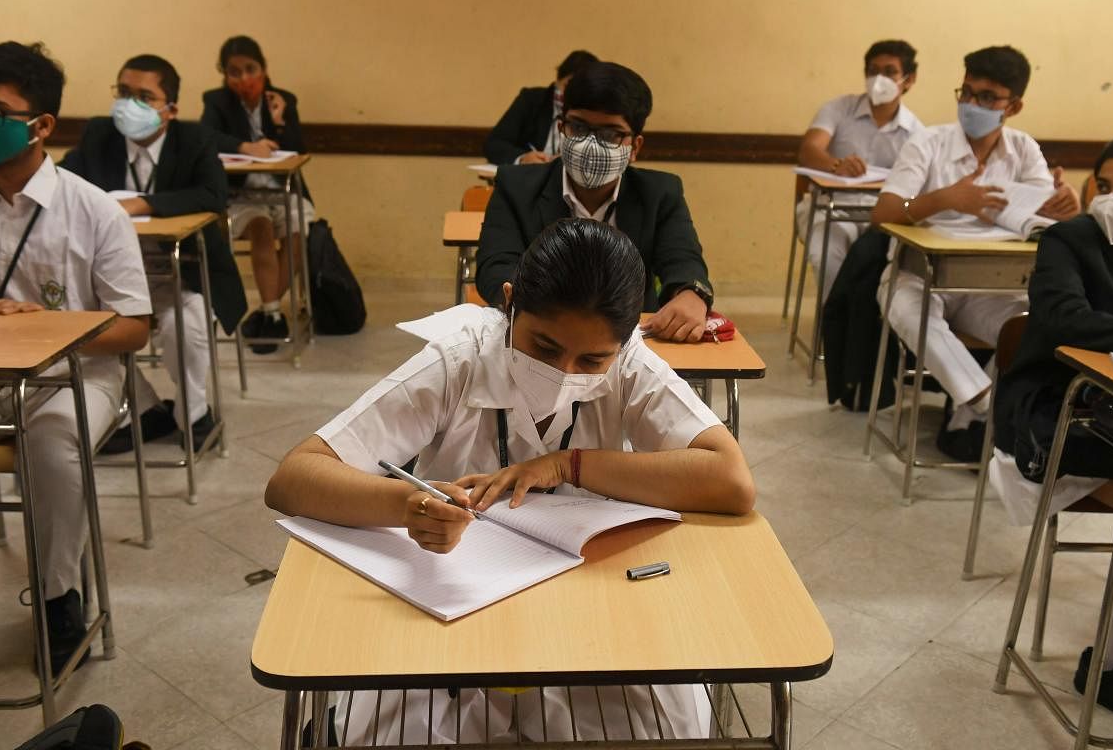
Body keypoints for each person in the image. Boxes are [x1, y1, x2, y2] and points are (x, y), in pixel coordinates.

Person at [265, 218, 754, 743]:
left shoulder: (629, 363)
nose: (565, 372)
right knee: (388, 729)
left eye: (592, 360)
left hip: (591, 612)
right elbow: (293, 478)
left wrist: (568, 465)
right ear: (510, 302)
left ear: (625, 337)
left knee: (671, 726)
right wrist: (408, 505)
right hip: (456, 603)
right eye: (543, 347)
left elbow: (730, 480)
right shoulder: (458, 360)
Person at [0, 42, 151, 673]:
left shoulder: (92, 210)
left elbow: (135, 327)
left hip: (74, 376)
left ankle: (61, 596)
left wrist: (53, 325)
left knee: (52, 441)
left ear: (40, 126)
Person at [991, 130, 1113, 731]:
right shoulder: (1068, 240)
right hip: (1061, 411)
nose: (1111, 199)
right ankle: (1110, 665)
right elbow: (1063, 322)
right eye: (1104, 186)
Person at [871, 45, 1081, 461]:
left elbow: (1042, 216)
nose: (971, 104)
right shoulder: (928, 142)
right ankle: (987, 406)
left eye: (987, 98)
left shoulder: (1023, 150)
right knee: (913, 311)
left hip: (989, 285)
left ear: (1013, 106)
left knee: (1033, 328)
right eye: (966, 92)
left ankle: (968, 421)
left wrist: (1064, 206)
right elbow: (883, 214)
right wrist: (945, 199)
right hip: (918, 275)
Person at [61, 54, 247, 452]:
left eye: (145, 96)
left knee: (188, 326)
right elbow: (64, 181)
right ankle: (143, 411)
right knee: (84, 327)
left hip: (184, 269)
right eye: (124, 92)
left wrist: (143, 204)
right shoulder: (99, 135)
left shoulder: (193, 138)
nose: (130, 104)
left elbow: (213, 196)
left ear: (170, 109)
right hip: (111, 271)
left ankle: (194, 414)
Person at [477, 61, 715, 343]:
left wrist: (692, 294)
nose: (590, 143)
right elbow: (496, 265)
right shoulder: (516, 186)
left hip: (630, 343)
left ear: (634, 146)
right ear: (562, 127)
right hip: (540, 337)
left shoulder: (660, 192)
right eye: (578, 127)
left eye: (610, 133)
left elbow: (683, 258)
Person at [200, 35, 310, 353]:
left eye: (251, 68)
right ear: (224, 73)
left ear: (263, 67)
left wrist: (277, 120)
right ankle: (274, 314)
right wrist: (245, 147)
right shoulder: (216, 101)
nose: (244, 78)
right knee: (261, 228)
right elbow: (207, 137)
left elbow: (298, 148)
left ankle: (265, 310)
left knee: (299, 231)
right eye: (235, 71)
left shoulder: (283, 98)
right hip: (240, 195)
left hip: (281, 191)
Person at [796, 39, 924, 300]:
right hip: (827, 207)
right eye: (873, 70)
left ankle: (864, 328)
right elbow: (809, 150)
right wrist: (836, 165)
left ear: (909, 80)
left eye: (890, 72)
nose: (879, 78)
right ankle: (834, 327)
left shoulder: (916, 132)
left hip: (880, 217)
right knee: (826, 253)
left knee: (894, 263)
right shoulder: (838, 109)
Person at [484, 49, 598, 165]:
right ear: (558, 78)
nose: (571, 94)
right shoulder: (531, 100)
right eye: (568, 86)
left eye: (580, 90)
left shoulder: (595, 113)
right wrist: (522, 158)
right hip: (531, 176)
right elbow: (494, 144)